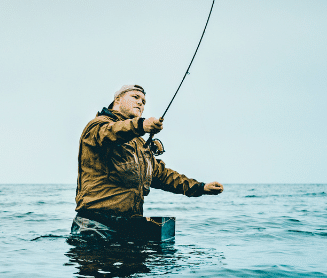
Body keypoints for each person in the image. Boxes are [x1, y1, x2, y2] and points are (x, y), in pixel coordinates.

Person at [72, 84, 223, 239]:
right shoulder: (97, 126)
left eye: (144, 101)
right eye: (135, 97)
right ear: (117, 99)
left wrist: (201, 188)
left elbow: (163, 176)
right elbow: (113, 131)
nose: (140, 103)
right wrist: (141, 125)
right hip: (95, 227)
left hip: (128, 227)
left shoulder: (138, 144)